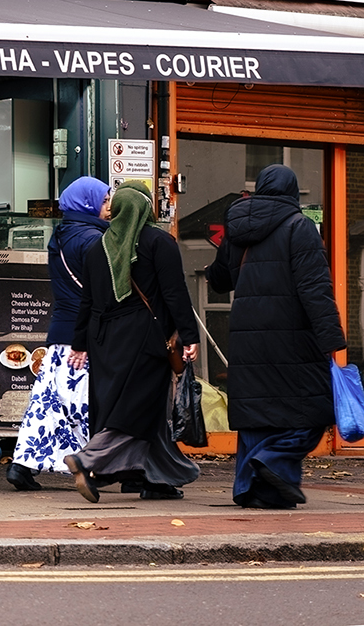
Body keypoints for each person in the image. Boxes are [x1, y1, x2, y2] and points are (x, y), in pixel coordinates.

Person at [206, 164, 345, 510]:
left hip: (246, 335)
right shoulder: (300, 228)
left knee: (256, 413)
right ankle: (271, 462)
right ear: (293, 192)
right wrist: (332, 338)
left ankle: (253, 490)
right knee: (316, 410)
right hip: (291, 335)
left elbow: (220, 280)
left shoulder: (236, 227)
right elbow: (315, 289)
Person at [64, 180, 200, 502]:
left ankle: (154, 479)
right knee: (135, 409)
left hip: (103, 341)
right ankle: (88, 459)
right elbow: (174, 293)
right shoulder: (158, 243)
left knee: (143, 411)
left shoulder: (98, 248)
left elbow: (87, 301)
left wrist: (80, 343)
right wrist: (189, 335)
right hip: (144, 338)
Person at [5, 176, 109, 491]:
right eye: (104, 201)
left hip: (60, 331)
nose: (108, 207)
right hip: (84, 335)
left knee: (48, 403)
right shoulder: (92, 240)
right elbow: (101, 292)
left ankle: (22, 464)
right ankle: (88, 465)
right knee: (81, 403)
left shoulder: (61, 234)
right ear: (87, 203)